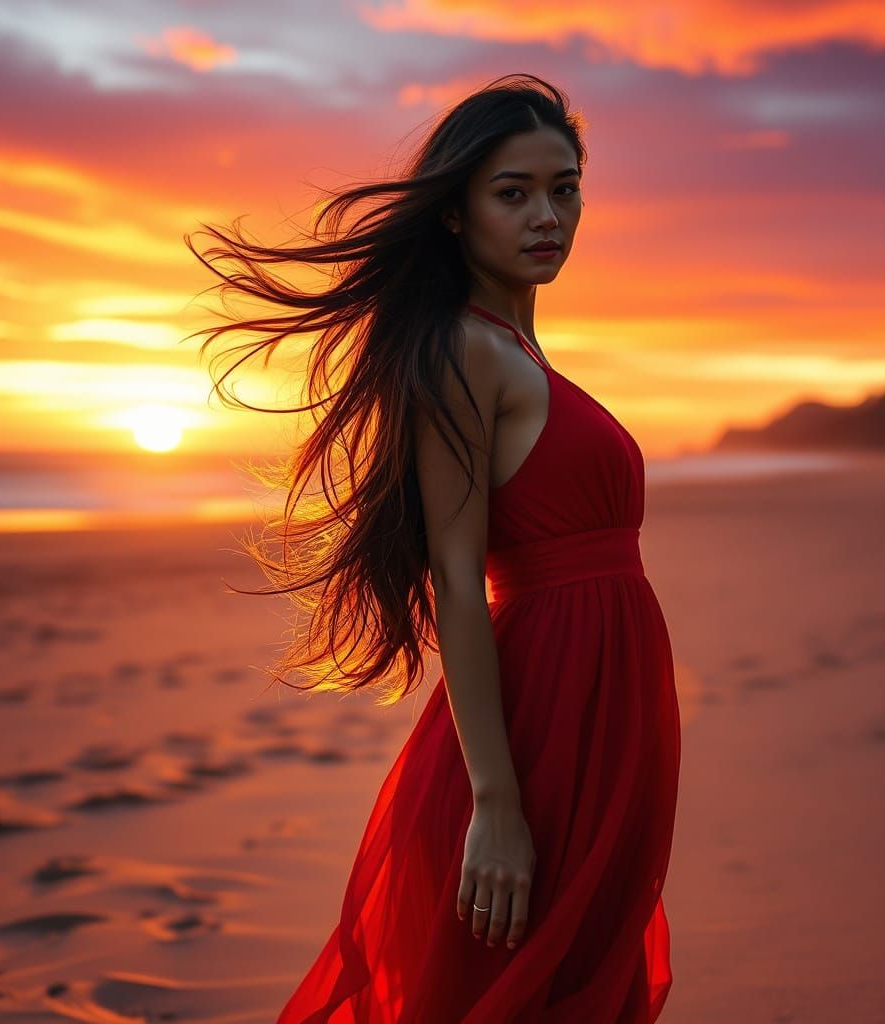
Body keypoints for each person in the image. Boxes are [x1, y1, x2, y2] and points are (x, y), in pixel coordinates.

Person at [185, 72, 680, 1022]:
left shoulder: (518, 351)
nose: (547, 216)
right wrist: (495, 800)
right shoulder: (465, 352)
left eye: (565, 189)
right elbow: (457, 577)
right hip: (538, 718)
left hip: (602, 708)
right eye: (513, 193)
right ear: (455, 213)